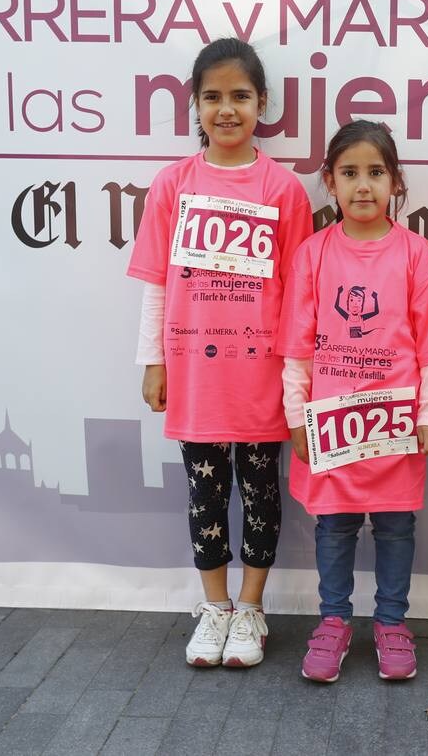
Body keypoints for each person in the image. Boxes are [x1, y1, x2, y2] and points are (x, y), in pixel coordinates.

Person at [127, 38, 313, 667]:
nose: (226, 109)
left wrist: (295, 378)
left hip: (260, 375)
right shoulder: (172, 184)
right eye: (212, 97)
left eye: (240, 95)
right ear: (195, 107)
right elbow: (157, 281)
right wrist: (153, 360)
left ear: (262, 103)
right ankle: (214, 607)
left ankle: (252, 608)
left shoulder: (283, 189)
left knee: (261, 490)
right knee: (205, 494)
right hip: (195, 373)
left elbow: (296, 295)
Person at [278, 120, 428, 683]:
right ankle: (333, 622)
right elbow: (297, 347)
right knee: (334, 529)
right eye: (349, 173)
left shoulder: (416, 255)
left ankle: (391, 624)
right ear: (329, 180)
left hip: (394, 425)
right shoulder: (312, 255)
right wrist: (296, 416)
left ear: (395, 182)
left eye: (375, 173)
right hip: (331, 425)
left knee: (396, 528)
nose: (362, 186)